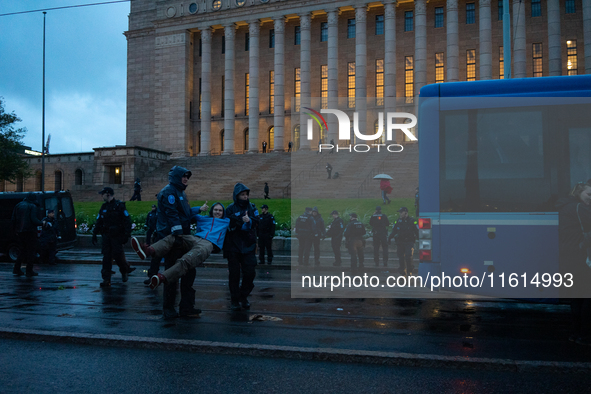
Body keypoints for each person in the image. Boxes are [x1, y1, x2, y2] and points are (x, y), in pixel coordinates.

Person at [132, 202, 230, 293]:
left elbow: (238, 221)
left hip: (209, 244)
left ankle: (162, 277)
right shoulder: (203, 218)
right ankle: (149, 250)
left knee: (187, 259)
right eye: (215, 210)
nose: (217, 212)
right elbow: (188, 214)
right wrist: (199, 209)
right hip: (195, 238)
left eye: (220, 210)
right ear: (212, 210)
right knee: (174, 237)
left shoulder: (226, 222)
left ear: (223, 212)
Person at [153, 166, 200, 319]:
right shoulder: (169, 192)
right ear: (176, 177)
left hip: (182, 238)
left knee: (188, 272)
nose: (186, 179)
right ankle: (168, 308)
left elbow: (184, 215)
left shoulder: (180, 192)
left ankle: (186, 306)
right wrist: (179, 235)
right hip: (173, 239)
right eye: (183, 176)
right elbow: (172, 215)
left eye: (187, 177)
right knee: (172, 274)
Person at [557, 182, 591, 346]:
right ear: (579, 193)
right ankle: (585, 335)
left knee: (577, 298)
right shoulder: (579, 208)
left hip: (569, 260)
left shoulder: (566, 207)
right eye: (589, 195)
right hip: (581, 261)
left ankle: (575, 333)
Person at [224, 183, 260, 311]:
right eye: (242, 195)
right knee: (234, 275)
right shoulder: (230, 209)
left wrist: (249, 221)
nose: (245, 197)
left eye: (246, 195)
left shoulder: (252, 207)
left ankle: (243, 295)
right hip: (234, 246)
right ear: (237, 196)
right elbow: (226, 225)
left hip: (248, 245)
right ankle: (234, 299)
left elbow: (257, 220)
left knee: (250, 273)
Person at [92, 187, 133, 287]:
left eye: (103, 194)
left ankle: (124, 270)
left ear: (108, 194)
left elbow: (127, 220)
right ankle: (106, 279)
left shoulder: (119, 206)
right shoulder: (104, 207)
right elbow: (99, 221)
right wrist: (94, 233)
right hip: (107, 236)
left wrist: (126, 235)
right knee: (106, 257)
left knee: (118, 256)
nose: (102, 196)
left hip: (117, 236)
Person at [11, 192, 44, 277]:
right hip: (30, 231)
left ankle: (16, 269)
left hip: (20, 232)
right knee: (31, 251)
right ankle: (29, 271)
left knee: (22, 251)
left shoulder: (18, 205)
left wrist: (15, 230)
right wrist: (42, 223)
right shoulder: (32, 206)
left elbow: (13, 219)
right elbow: (34, 220)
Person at [388, 207, 419, 277]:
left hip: (409, 241)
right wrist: (389, 238)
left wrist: (420, 239)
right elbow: (394, 231)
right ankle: (402, 272)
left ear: (405, 212)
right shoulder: (398, 221)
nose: (400, 214)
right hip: (400, 242)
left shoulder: (412, 221)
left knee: (408, 256)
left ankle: (409, 271)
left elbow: (416, 231)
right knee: (401, 258)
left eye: (401, 212)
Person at [144, 204, 160, 285]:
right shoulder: (151, 213)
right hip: (158, 232)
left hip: (163, 234)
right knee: (155, 258)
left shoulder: (159, 213)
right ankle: (152, 277)